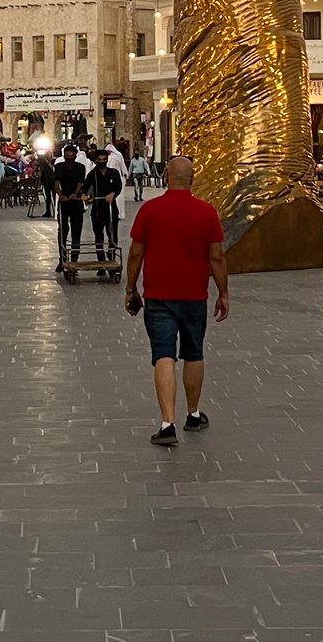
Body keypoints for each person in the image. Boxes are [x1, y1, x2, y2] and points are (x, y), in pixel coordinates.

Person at [125, 155, 228, 447]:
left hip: (158, 296)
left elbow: (136, 253)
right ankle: (193, 414)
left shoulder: (150, 210)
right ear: (192, 180)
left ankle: (167, 423)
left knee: (164, 355)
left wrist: (130, 288)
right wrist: (223, 292)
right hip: (194, 296)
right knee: (193, 353)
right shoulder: (207, 212)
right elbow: (217, 257)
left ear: (166, 177)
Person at [54, 144, 87, 272]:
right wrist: (60, 195)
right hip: (64, 202)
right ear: (64, 155)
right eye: (67, 155)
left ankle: (74, 261)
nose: (70, 158)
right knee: (62, 231)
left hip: (76, 201)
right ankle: (62, 259)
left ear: (75, 156)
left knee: (76, 231)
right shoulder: (59, 167)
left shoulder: (80, 167)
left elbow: (81, 182)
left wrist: (75, 193)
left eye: (72, 156)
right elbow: (56, 182)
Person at [87, 148, 123, 262]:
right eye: (99, 159)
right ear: (95, 160)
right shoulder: (92, 174)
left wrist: (113, 194)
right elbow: (85, 187)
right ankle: (101, 261)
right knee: (99, 237)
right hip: (97, 210)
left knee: (113, 235)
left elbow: (118, 186)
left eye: (104, 159)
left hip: (111, 209)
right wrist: (85, 195)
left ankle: (111, 256)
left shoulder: (114, 173)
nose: (102, 161)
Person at [36, 150, 57, 216]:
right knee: (48, 197)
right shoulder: (43, 163)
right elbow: (41, 171)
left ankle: (56, 211)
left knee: (54, 197)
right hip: (46, 181)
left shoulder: (54, 161)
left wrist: (47, 162)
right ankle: (48, 211)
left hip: (53, 181)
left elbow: (53, 169)